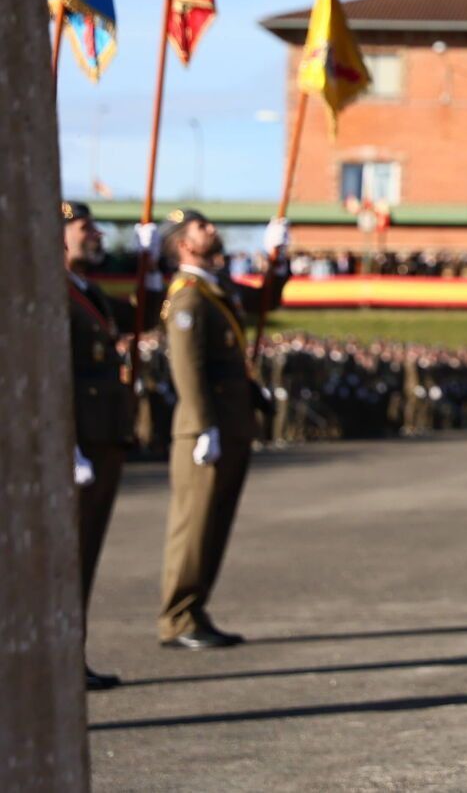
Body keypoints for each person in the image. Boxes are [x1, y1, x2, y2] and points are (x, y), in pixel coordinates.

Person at [155, 208, 290, 649]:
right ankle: (176, 617)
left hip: (230, 424)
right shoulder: (188, 297)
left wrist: (278, 258)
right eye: (201, 227)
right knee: (193, 526)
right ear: (183, 244)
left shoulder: (215, 289)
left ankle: (194, 610)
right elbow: (187, 368)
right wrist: (203, 425)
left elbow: (264, 299)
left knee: (215, 524)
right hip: (205, 430)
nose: (212, 229)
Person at [62, 202, 137, 688]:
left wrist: (155, 266)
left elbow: (148, 314)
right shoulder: (52, 294)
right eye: (84, 228)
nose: (95, 235)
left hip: (104, 435)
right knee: (67, 557)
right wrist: (65, 443)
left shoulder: (90, 292)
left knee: (85, 555)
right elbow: (52, 374)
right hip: (81, 443)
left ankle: (71, 654)